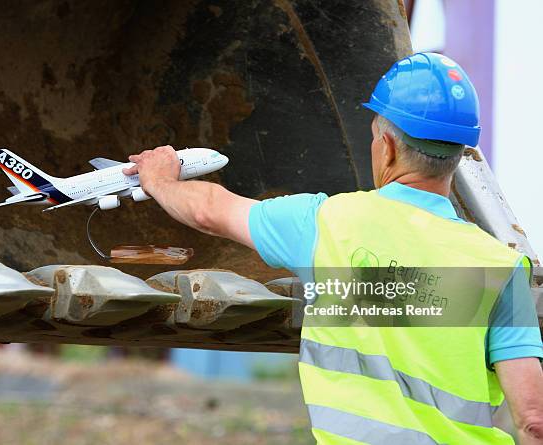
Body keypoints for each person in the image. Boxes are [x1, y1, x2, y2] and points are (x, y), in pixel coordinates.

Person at [123, 52, 543, 444]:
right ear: (461, 153)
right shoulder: (502, 267)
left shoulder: (327, 224)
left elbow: (210, 211)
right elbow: (533, 419)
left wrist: (159, 180)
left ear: (388, 146)